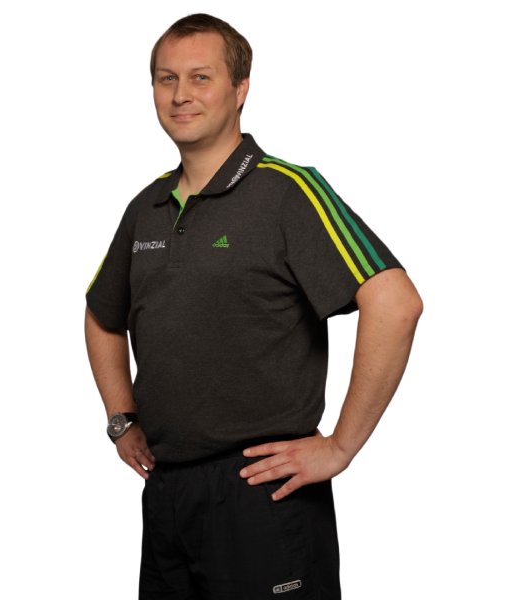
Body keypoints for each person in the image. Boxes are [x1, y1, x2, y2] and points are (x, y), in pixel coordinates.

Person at [84, 12, 423, 600]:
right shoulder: (146, 208)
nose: (181, 94)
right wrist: (122, 420)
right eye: (166, 79)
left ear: (240, 89)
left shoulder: (287, 191)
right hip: (167, 493)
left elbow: (396, 303)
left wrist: (341, 446)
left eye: (201, 77)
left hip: (264, 492)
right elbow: (101, 315)